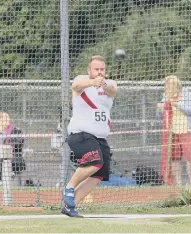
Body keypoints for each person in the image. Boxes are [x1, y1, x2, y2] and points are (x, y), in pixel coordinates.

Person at [61, 55, 118, 217]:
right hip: (81, 134)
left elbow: (113, 89)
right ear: (89, 70)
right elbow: (76, 85)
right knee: (94, 163)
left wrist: (102, 83)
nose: (99, 72)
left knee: (99, 174)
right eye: (96, 69)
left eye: (102, 69)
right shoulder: (83, 81)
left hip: (100, 138)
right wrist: (92, 82)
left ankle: (70, 206)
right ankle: (69, 187)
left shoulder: (110, 84)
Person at [156, 75, 191, 186]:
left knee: (190, 156)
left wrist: (178, 104)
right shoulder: (166, 96)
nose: (166, 87)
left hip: (187, 130)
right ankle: (178, 183)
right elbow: (160, 116)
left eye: (168, 85)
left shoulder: (187, 94)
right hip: (172, 131)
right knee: (175, 157)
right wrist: (159, 110)